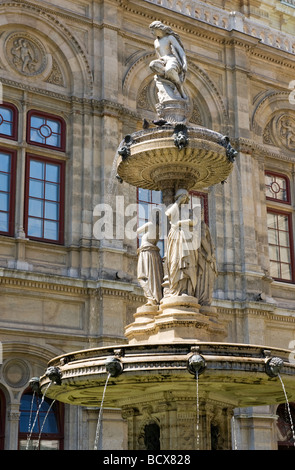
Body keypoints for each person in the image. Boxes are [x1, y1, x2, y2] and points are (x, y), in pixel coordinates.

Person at [165, 189, 199, 297]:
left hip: (187, 238)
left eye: (185, 197)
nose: (184, 199)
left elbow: (194, 221)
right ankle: (175, 289)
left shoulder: (189, 212)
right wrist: (177, 202)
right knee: (175, 261)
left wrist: (180, 222)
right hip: (175, 237)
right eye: (181, 197)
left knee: (187, 263)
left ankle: (185, 290)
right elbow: (168, 213)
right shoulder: (174, 208)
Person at [149, 21, 187, 99]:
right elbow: (158, 54)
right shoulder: (156, 41)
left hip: (171, 59)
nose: (152, 32)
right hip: (162, 60)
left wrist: (184, 62)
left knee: (169, 69)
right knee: (152, 65)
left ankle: (179, 87)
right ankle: (168, 78)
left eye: (153, 30)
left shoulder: (170, 37)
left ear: (158, 29)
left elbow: (180, 50)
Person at [137, 220, 164, 305]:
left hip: (146, 253)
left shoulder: (149, 224)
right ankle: (154, 297)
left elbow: (136, 231)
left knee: (141, 277)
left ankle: (150, 298)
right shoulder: (159, 229)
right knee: (153, 277)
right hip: (154, 254)